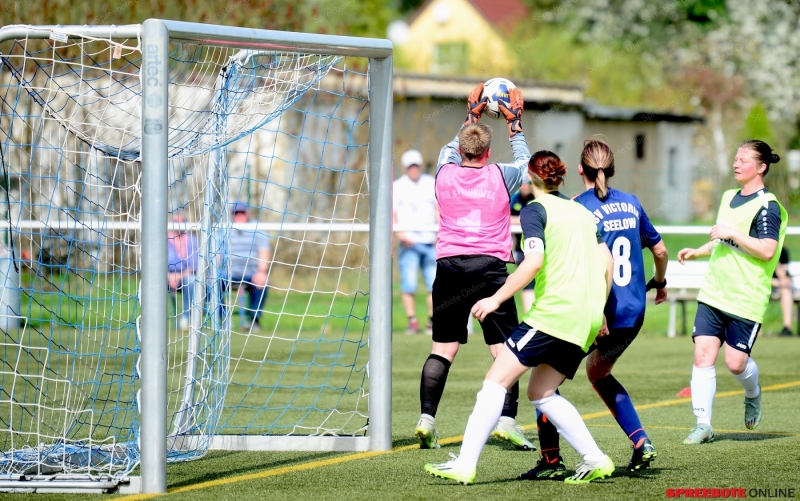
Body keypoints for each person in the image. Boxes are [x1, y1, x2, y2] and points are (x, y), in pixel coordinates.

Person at [424, 150, 615, 485]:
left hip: (554, 315)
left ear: (530, 177)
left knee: (493, 383)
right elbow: (606, 261)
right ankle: (596, 458)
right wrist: (599, 312)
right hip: (584, 318)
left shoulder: (534, 210)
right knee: (541, 392)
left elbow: (533, 262)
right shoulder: (582, 212)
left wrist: (496, 297)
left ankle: (465, 464)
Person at [526, 139, 669, 479]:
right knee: (598, 373)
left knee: (545, 380)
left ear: (580, 170)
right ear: (613, 169)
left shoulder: (577, 207)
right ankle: (641, 442)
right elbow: (660, 251)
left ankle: (550, 460)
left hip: (597, 313)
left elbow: (595, 265)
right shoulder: (632, 203)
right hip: (633, 315)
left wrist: (599, 311)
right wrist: (660, 284)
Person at [415, 82, 535, 452]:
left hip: (449, 267)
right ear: (487, 152)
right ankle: (508, 422)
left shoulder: (442, 172)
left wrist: (471, 116)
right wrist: (515, 126)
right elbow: (527, 165)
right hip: (489, 269)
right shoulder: (500, 175)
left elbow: (450, 148)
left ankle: (426, 419)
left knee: (443, 348)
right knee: (507, 351)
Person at [678, 140, 787, 444]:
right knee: (703, 355)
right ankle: (703, 424)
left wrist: (733, 233)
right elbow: (722, 241)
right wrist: (697, 251)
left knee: (735, 363)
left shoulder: (768, 206)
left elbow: (767, 250)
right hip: (714, 292)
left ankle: (752, 392)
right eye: (735, 159)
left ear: (761, 167)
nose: (736, 164)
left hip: (745, 298)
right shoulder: (728, 197)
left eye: (743, 160)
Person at [393, 149, 438, 335]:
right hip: (408, 243)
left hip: (430, 241)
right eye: (410, 166)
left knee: (435, 285)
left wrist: (439, 233)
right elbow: (392, 214)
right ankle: (412, 320)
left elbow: (438, 209)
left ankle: (432, 320)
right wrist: (402, 235)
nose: (414, 169)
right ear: (404, 167)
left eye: (416, 165)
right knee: (409, 284)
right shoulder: (396, 186)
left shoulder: (430, 183)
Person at [224, 201, 272, 332]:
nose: (239, 216)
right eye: (236, 213)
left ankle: (254, 320)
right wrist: (211, 273)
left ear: (247, 214)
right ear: (231, 215)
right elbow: (217, 254)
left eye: (242, 212)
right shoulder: (223, 229)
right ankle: (222, 320)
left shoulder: (258, 229)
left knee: (262, 281)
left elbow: (264, 251)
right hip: (227, 273)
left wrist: (261, 271)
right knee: (212, 281)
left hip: (251, 273)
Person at [168, 210, 199, 331]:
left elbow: (193, 266)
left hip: (185, 276)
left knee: (191, 280)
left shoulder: (192, 240)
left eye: (181, 222)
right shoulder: (163, 239)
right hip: (165, 277)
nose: (178, 224)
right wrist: (168, 276)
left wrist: (178, 277)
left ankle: (186, 317)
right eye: (176, 222)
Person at [510, 180, 535, 312]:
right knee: (528, 282)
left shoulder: (536, 198)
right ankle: (530, 317)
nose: (525, 186)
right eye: (522, 183)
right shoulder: (514, 199)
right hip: (522, 250)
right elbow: (506, 218)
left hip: (541, 248)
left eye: (528, 183)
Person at [772, 247, 794, 337]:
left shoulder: (783, 251)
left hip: (777, 287)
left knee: (786, 291)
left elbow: (785, 279)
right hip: (761, 284)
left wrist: (776, 261)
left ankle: (787, 327)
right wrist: (773, 282)